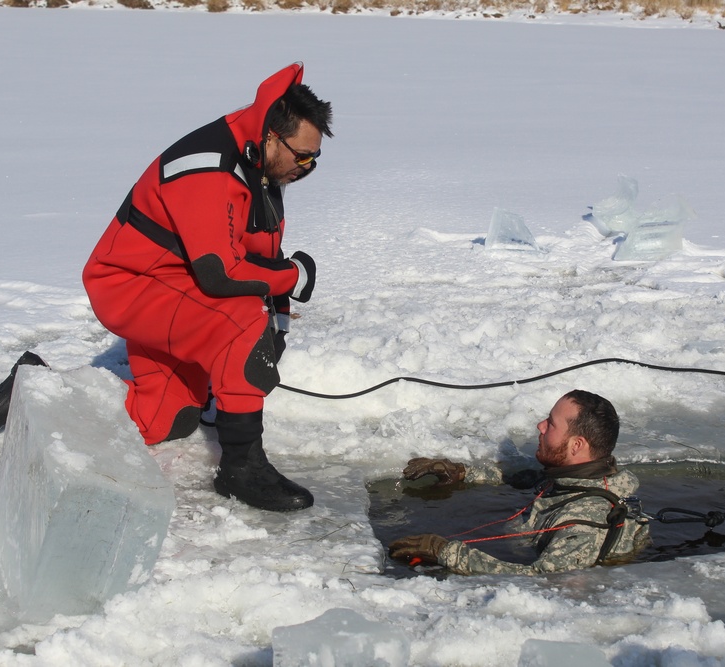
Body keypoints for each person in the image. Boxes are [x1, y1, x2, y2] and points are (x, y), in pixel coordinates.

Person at [81, 63, 333, 513]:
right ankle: (241, 470)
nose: (307, 167)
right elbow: (223, 275)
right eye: (302, 156)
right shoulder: (208, 169)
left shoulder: (259, 162)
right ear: (274, 135)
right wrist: (295, 279)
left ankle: (38, 388)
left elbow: (261, 251)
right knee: (238, 325)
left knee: (167, 420)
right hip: (131, 286)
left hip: (177, 285)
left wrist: (277, 319)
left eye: (315, 159)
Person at [388, 390, 650, 574]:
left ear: (576, 445)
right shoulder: (573, 478)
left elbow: (541, 580)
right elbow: (526, 477)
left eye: (551, 424)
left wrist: (448, 553)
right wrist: (460, 472)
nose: (540, 426)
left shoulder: (585, 522)